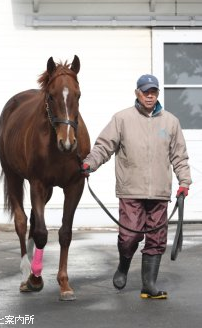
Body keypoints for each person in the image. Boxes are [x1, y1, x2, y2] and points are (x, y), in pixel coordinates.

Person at [81, 74, 192, 299]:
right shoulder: (122, 119)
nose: (150, 96)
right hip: (131, 189)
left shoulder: (170, 122)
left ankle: (148, 285)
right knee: (129, 236)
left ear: (158, 94)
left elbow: (179, 156)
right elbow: (104, 146)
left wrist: (184, 182)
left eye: (153, 92)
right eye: (145, 92)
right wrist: (90, 163)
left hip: (160, 192)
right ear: (137, 93)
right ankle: (123, 265)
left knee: (157, 239)